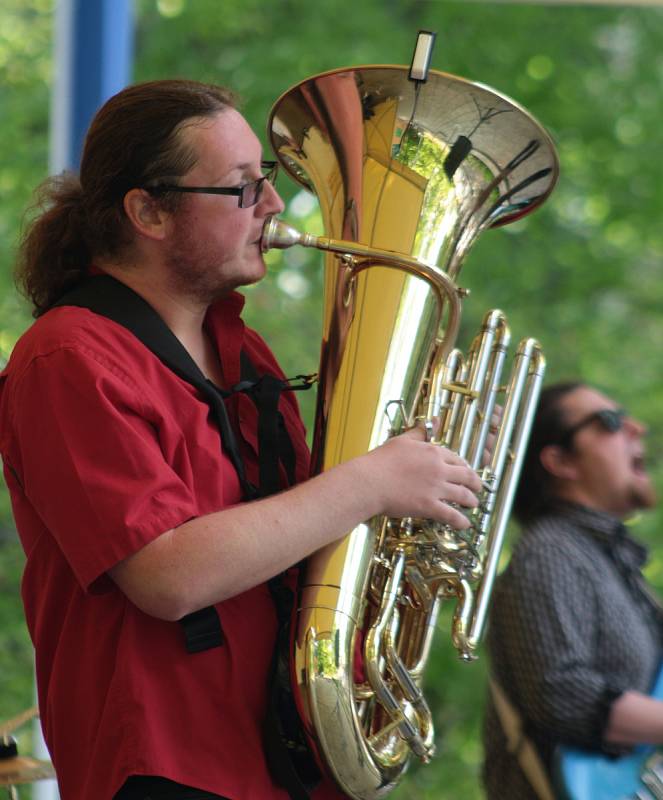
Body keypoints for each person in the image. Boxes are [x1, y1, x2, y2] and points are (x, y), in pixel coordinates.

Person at [0, 80, 483, 800]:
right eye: (240, 187)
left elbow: (304, 528)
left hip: (282, 759)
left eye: (266, 180)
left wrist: (424, 458)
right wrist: (373, 481)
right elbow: (168, 576)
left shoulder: (243, 352)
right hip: (166, 764)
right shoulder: (67, 356)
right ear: (148, 211)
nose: (273, 205)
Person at [482, 380, 663, 799]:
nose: (636, 428)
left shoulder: (602, 558)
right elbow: (561, 693)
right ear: (559, 460)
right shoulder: (550, 550)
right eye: (609, 422)